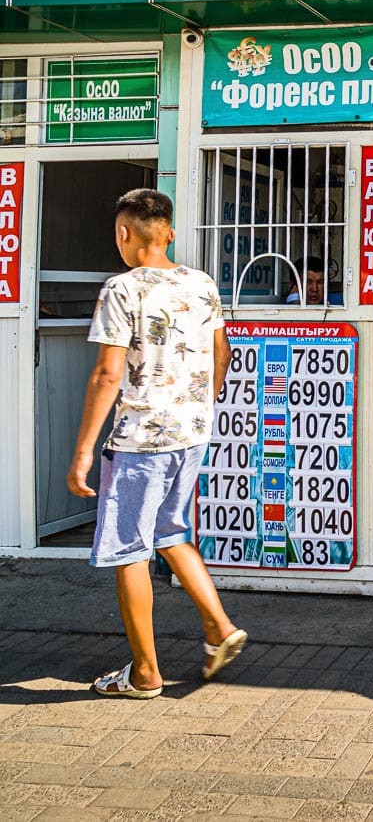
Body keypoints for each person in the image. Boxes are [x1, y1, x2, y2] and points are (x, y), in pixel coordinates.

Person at [67, 188, 247, 698]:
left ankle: (145, 673)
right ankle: (219, 626)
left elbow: (107, 374)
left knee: (128, 550)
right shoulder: (201, 282)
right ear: (168, 232)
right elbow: (222, 354)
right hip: (191, 433)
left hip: (140, 440)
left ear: (124, 233)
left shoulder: (121, 289)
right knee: (170, 532)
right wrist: (198, 406)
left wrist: (83, 452)